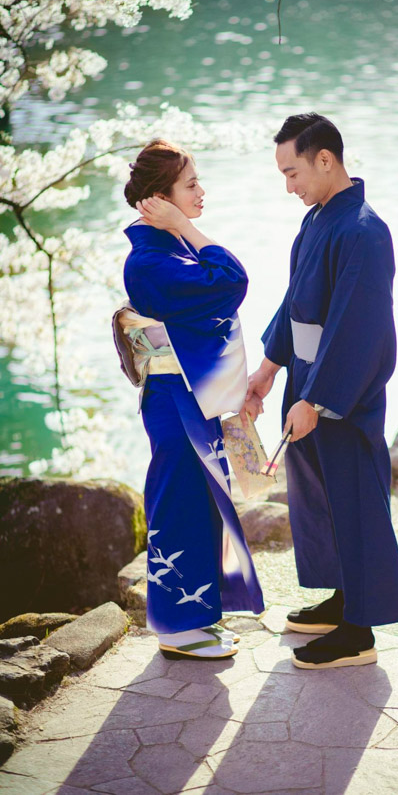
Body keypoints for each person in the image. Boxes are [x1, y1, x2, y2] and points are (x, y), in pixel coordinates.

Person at [244, 113, 398, 669]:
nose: (290, 186)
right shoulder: (317, 221)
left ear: (325, 159)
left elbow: (358, 326)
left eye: (293, 173)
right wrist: (269, 369)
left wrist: (317, 399)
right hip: (308, 382)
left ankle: (359, 632)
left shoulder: (363, 230)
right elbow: (298, 302)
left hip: (345, 391)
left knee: (356, 501)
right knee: (321, 500)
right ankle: (342, 600)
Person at [117, 139, 264, 659]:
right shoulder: (151, 262)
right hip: (174, 400)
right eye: (191, 184)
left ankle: (199, 617)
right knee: (179, 500)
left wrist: (180, 227)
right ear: (161, 198)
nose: (202, 191)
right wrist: (183, 226)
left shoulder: (165, 252)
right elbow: (232, 281)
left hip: (188, 397)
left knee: (202, 502)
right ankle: (177, 627)